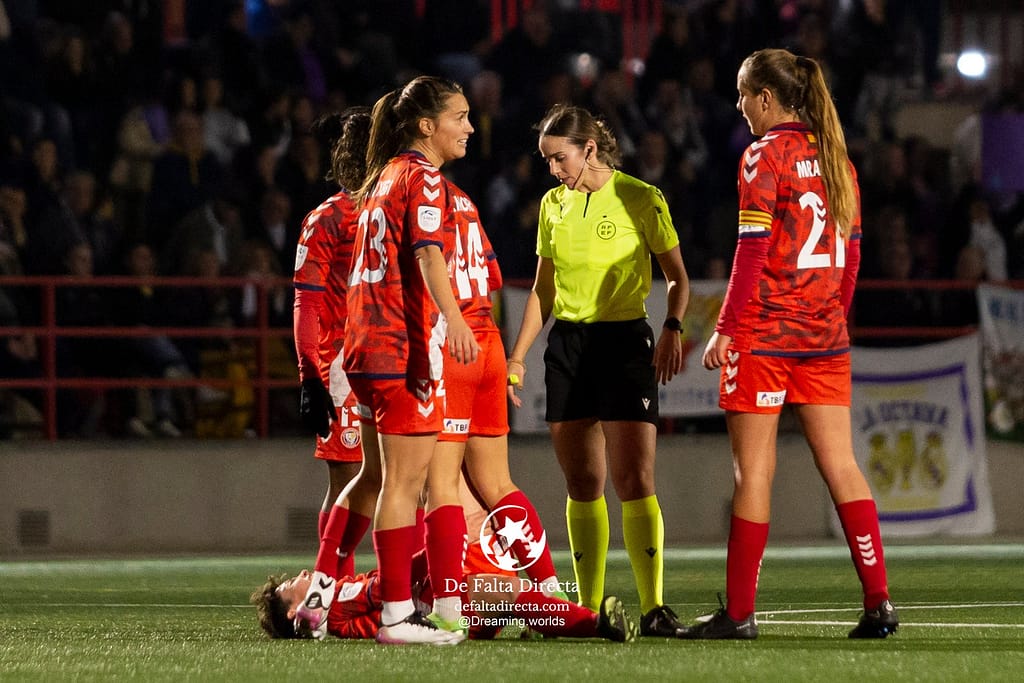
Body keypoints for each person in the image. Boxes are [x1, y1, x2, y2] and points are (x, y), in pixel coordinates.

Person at [683, 48, 898, 640]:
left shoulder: (763, 155)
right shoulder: (837, 159)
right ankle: (879, 603)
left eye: (743, 95)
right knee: (843, 466)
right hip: (824, 338)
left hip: (765, 335)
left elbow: (752, 250)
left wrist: (726, 327)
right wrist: (833, 319)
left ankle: (739, 614)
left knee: (753, 472)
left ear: (766, 98)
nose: (739, 106)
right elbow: (852, 255)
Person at [505, 104, 692, 638]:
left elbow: (678, 278)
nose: (552, 170)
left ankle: (654, 607)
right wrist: (517, 356)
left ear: (589, 149)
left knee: (634, 479)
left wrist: (673, 327)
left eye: (558, 158)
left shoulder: (640, 197)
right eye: (546, 160)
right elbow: (542, 289)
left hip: (624, 343)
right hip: (568, 346)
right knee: (583, 482)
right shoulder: (552, 205)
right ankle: (586, 612)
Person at [341, 76, 479, 645]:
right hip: (397, 347)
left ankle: (409, 604)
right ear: (427, 125)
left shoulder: (384, 176)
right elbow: (427, 255)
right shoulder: (423, 178)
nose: (470, 128)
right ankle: (397, 615)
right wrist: (456, 321)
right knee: (404, 482)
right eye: (460, 117)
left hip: (364, 345)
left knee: (391, 478)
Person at [291, 107, 379, 601]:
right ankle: (333, 588)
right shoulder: (328, 218)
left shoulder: (400, 208)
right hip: (344, 367)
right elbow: (306, 301)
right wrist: (311, 375)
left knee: (406, 478)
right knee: (350, 477)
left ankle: (408, 590)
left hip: (398, 358)